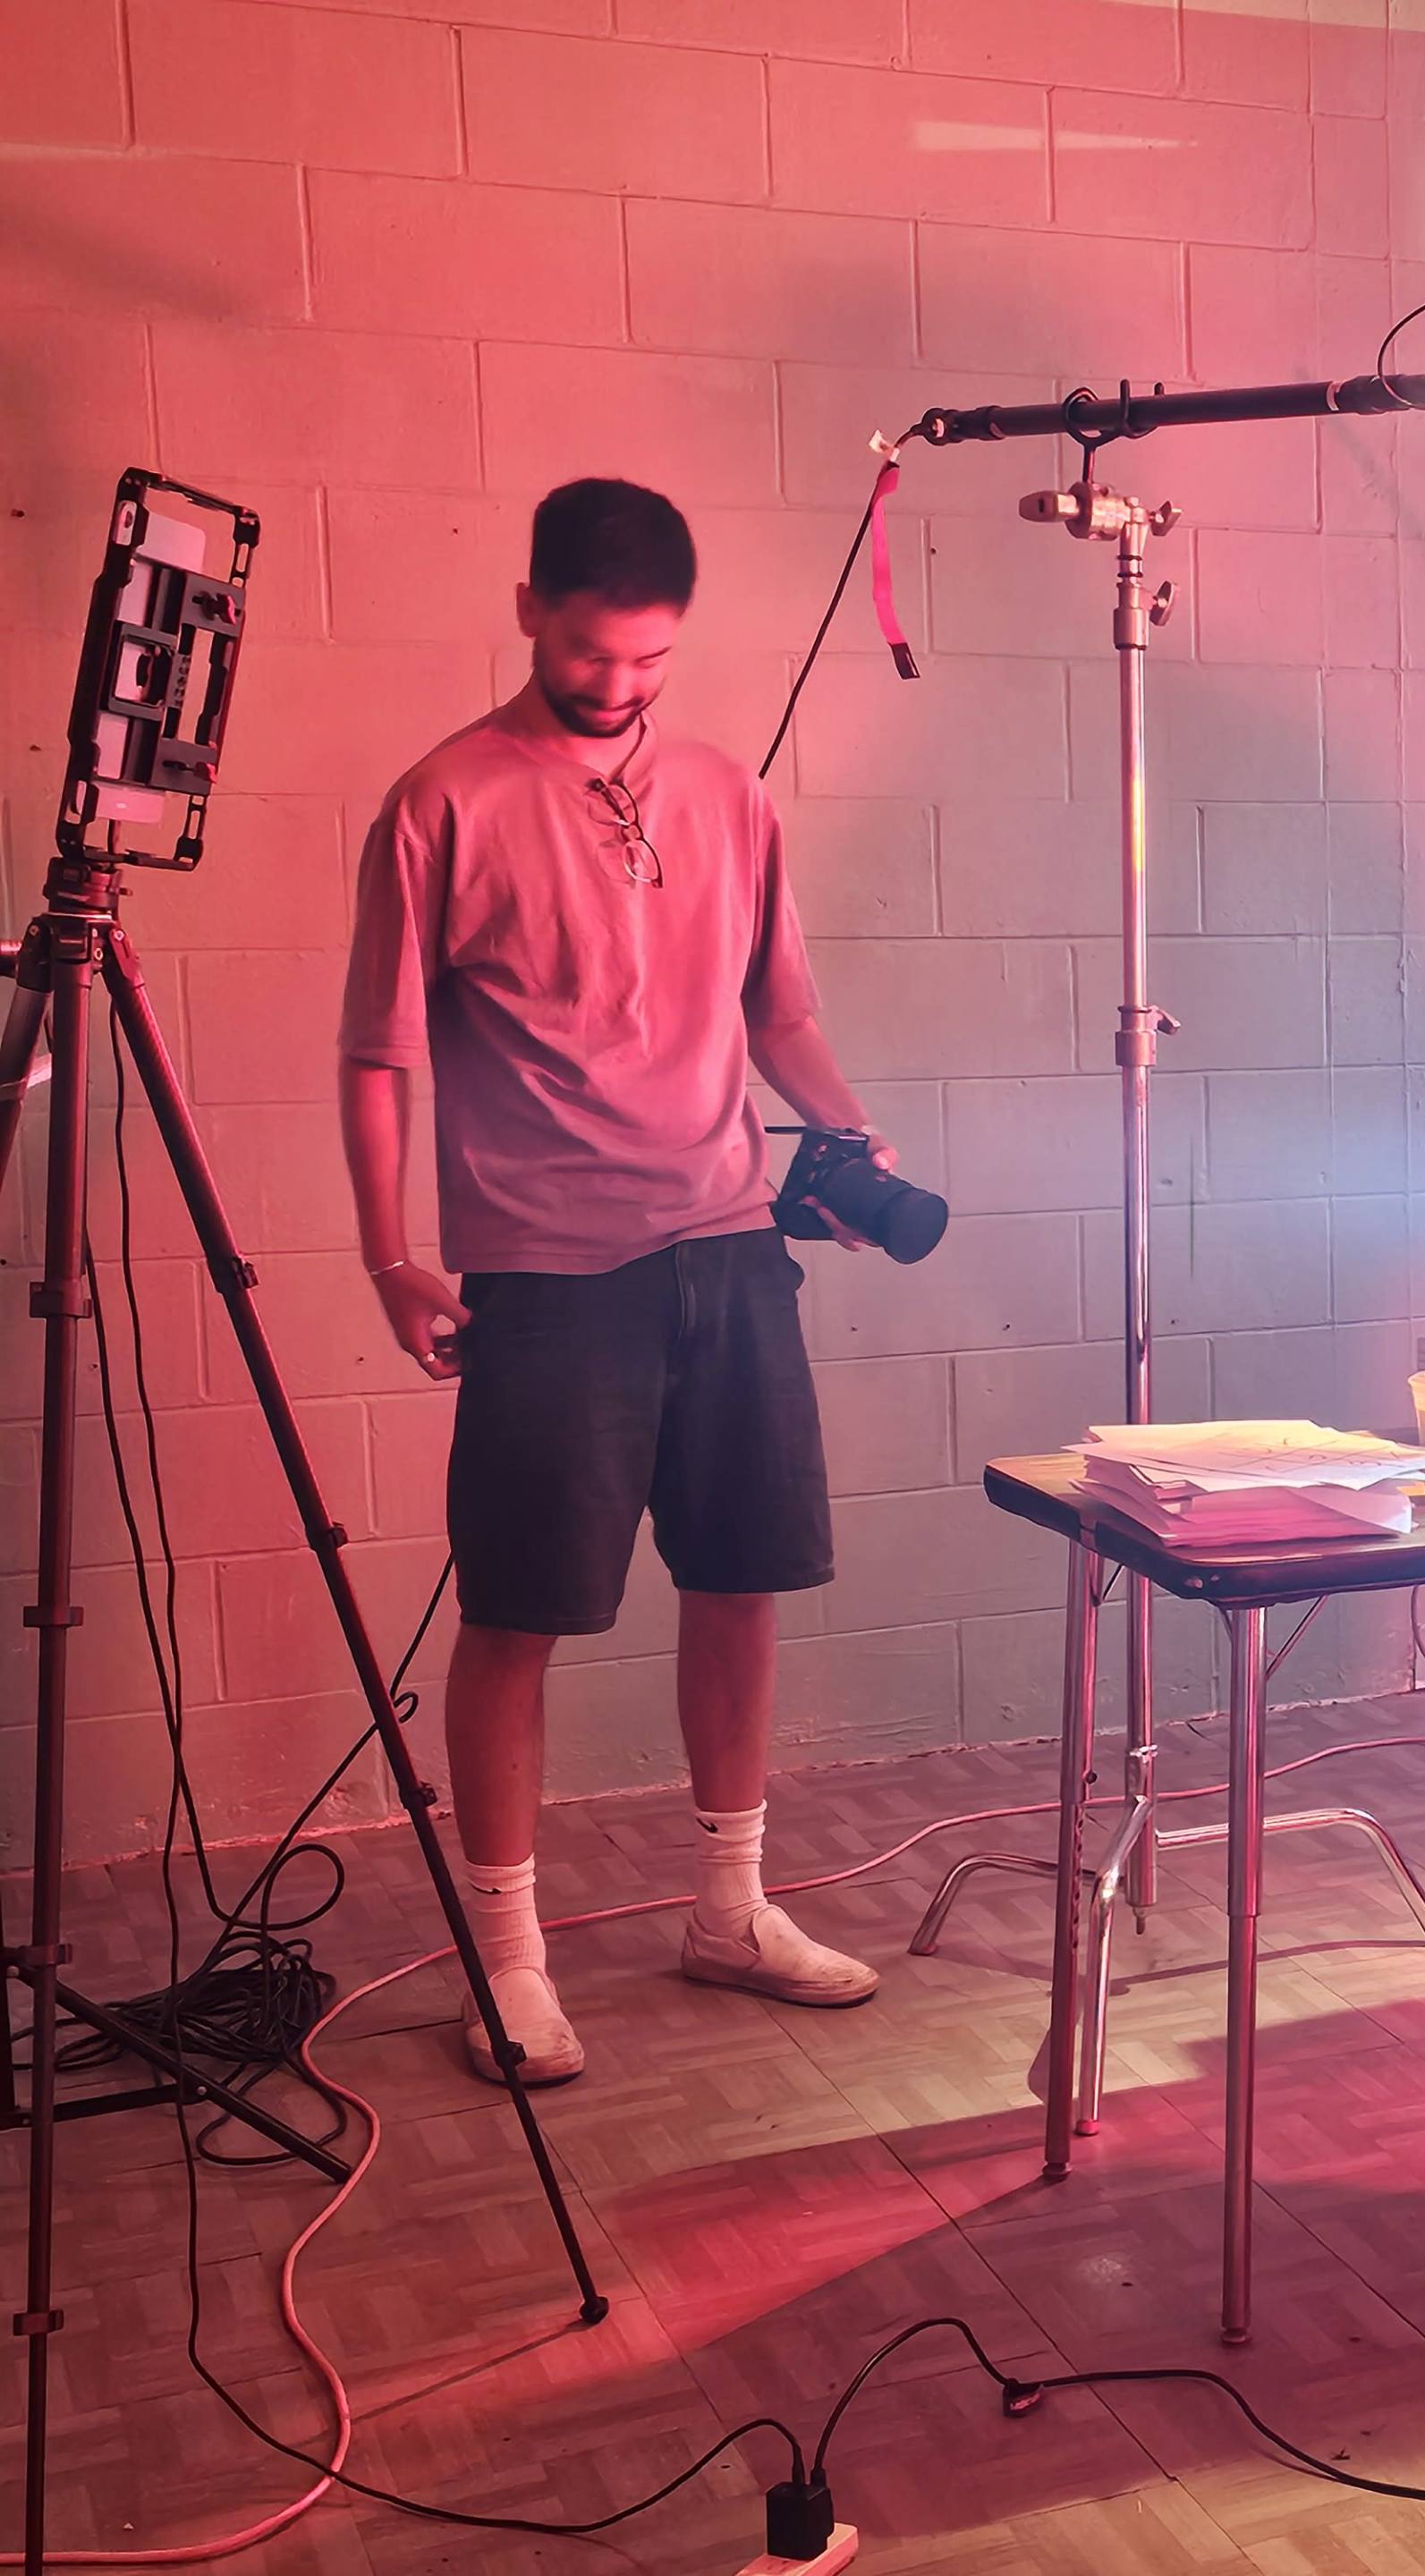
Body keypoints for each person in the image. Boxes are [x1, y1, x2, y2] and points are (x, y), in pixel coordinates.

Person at [339, 479, 900, 2090]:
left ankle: (730, 1909)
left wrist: (844, 1147)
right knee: (519, 1614)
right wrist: (392, 1250)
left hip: (729, 1247)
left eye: (649, 660)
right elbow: (378, 1056)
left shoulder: (730, 794)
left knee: (741, 1580)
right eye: (592, 654)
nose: (618, 686)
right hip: (544, 1273)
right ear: (528, 610)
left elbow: (778, 1012)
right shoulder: (438, 801)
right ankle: (506, 1962)